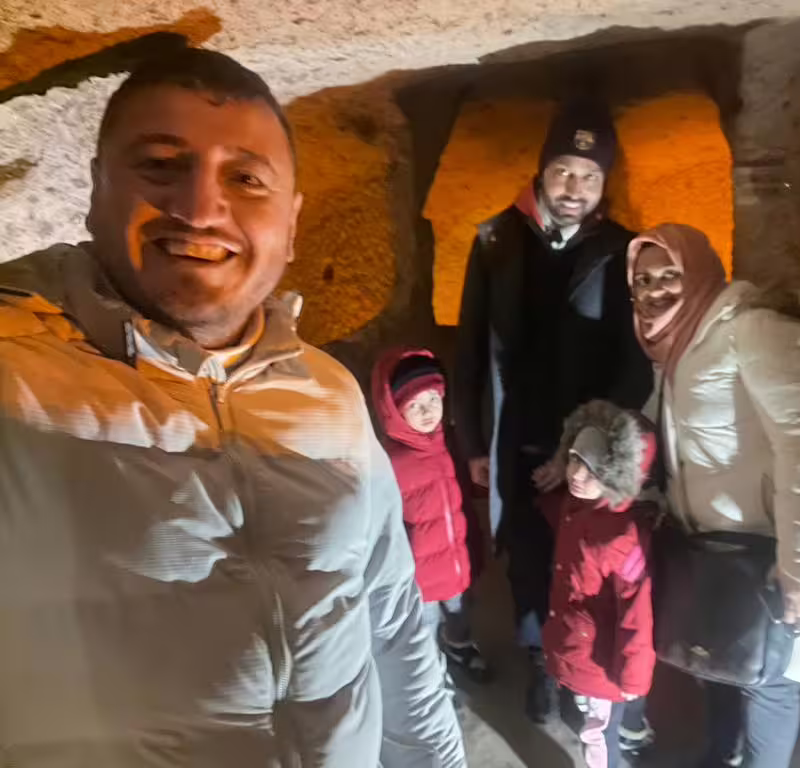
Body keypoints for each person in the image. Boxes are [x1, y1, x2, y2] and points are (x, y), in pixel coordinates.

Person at [0, 49, 463, 767]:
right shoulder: (18, 387)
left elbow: (391, 614)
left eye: (246, 178)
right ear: (95, 192)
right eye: (160, 164)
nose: (200, 208)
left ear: (293, 221)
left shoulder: (330, 395)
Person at [454, 99, 653, 724]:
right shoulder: (495, 239)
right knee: (529, 557)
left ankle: (580, 675)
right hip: (518, 436)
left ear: (604, 185)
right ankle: (542, 663)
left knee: (584, 570)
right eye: (565, 170)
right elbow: (470, 344)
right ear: (542, 171)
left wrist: (586, 451)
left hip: (590, 450)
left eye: (589, 177)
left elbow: (632, 361)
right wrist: (475, 442)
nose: (575, 188)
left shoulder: (619, 249)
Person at [627, 223, 800, 768]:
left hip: (767, 550)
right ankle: (719, 755)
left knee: (768, 681)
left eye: (669, 276)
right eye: (642, 280)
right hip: (712, 548)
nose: (654, 290)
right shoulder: (676, 347)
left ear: (699, 270)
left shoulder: (751, 328)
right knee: (722, 661)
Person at [540, 401, 657, 768]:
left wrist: (633, 680)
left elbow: (637, 613)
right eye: (574, 458)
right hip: (578, 652)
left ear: (618, 475)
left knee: (600, 738)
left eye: (592, 469)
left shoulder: (622, 537)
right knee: (588, 726)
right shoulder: (574, 508)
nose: (576, 474)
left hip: (603, 667)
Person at [371, 348, 490, 682]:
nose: (428, 412)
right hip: (418, 577)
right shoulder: (390, 463)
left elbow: (459, 504)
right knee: (423, 628)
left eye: (433, 400)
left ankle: (459, 646)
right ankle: (431, 675)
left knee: (460, 613)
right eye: (415, 405)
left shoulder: (447, 445)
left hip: (453, 563)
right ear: (393, 409)